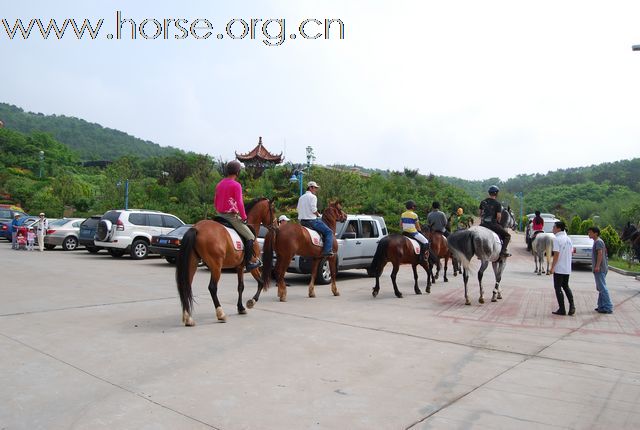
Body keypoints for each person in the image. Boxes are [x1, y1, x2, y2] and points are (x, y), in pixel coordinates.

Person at [214, 160, 262, 270]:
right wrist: (244, 217)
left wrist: (220, 210)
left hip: (219, 215)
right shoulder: (236, 185)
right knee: (250, 236)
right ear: (238, 172)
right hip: (231, 216)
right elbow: (240, 202)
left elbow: (215, 202)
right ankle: (248, 262)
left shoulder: (219, 184)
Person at [297, 181, 334, 256]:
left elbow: (298, 209)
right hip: (311, 221)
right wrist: (318, 215)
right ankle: (327, 251)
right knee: (329, 232)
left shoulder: (301, 197)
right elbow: (313, 209)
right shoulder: (313, 197)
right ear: (310, 187)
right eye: (315, 188)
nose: (316, 190)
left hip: (302, 222)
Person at [550, 221, 575, 316]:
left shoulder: (557, 239)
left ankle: (562, 309)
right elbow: (571, 252)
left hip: (559, 268)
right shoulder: (568, 239)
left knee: (558, 288)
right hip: (567, 268)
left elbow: (556, 254)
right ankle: (572, 305)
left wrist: (552, 267)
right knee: (566, 286)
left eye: (554, 227)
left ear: (559, 228)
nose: (553, 229)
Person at [478, 185, 511, 257]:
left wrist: (483, 219)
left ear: (489, 193)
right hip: (492, 225)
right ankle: (503, 251)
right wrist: (498, 222)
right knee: (507, 236)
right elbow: (498, 216)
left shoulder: (483, 202)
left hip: (483, 224)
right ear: (496, 194)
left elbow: (479, 213)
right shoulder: (498, 204)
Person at [587, 226, 613, 314]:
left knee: (602, 288)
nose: (589, 234)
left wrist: (597, 266)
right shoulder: (597, 242)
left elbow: (600, 254)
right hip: (601, 268)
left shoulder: (598, 242)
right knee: (600, 288)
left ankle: (608, 306)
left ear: (596, 233)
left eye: (590, 232)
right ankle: (601, 306)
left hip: (600, 268)